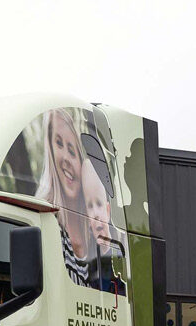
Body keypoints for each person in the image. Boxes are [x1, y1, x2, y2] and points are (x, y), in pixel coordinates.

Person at [35, 108, 90, 286]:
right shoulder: (44, 221)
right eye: (58, 144)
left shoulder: (96, 231)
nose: (66, 157)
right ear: (50, 150)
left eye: (73, 151)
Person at [81, 158, 127, 296]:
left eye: (99, 204)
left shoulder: (120, 256)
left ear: (108, 210)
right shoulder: (87, 262)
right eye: (90, 206)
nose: (95, 214)